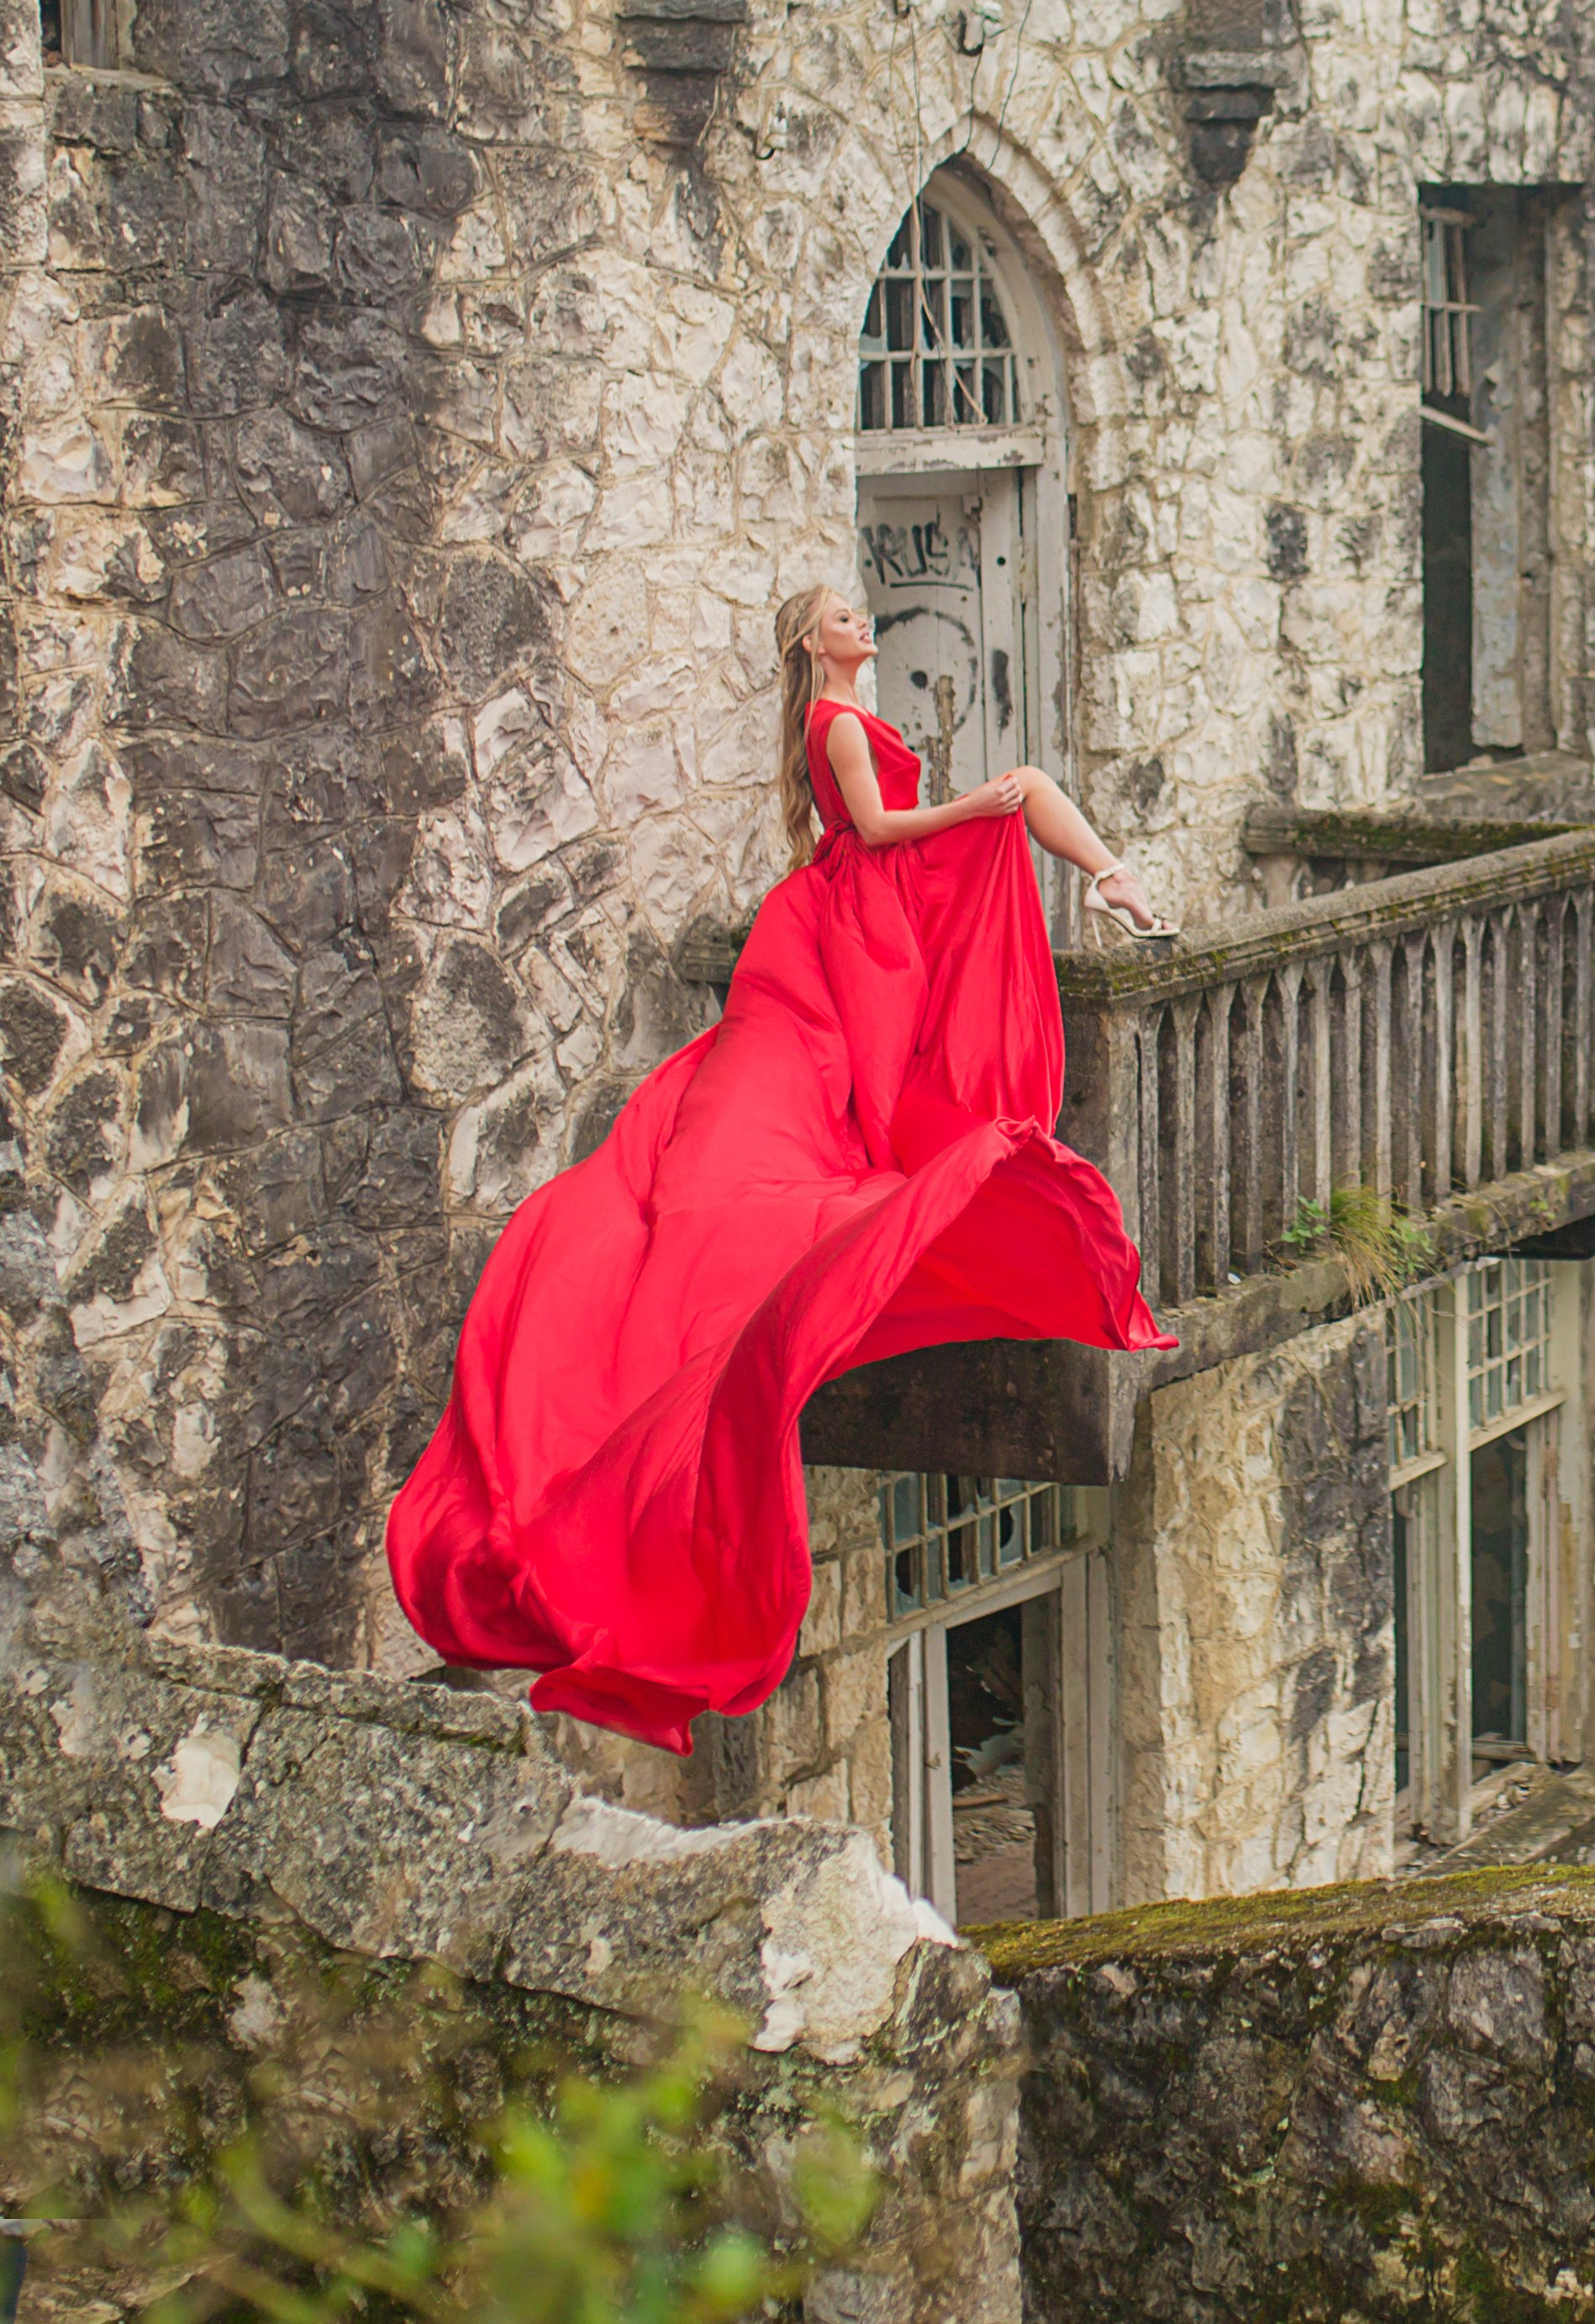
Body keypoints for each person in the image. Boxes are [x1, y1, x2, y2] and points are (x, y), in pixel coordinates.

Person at [386, 583, 1177, 1755]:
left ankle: (1115, 879)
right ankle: (1108, 881)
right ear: (817, 642)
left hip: (861, 910)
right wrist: (975, 800)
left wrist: (982, 804)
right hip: (858, 911)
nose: (865, 619)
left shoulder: (846, 718)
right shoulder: (841, 724)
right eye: (846, 614)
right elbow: (873, 833)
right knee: (1020, 806)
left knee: (1030, 803)